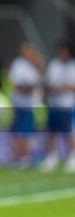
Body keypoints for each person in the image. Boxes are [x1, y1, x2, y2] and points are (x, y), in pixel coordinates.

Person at [40, 41, 75, 173]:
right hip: (54, 103)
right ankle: (52, 156)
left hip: (66, 103)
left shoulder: (72, 66)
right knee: (52, 131)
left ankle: (72, 156)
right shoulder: (54, 65)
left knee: (68, 132)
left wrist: (66, 87)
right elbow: (48, 83)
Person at [9, 42, 44, 168]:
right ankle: (19, 157)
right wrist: (28, 88)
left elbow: (38, 81)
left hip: (30, 104)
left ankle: (25, 156)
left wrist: (40, 65)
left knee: (27, 132)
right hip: (20, 103)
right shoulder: (18, 64)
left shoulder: (33, 65)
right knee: (20, 132)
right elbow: (16, 85)